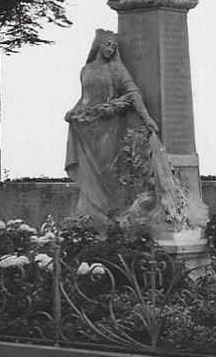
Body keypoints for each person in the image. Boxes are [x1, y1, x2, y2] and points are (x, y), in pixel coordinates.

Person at [64, 28, 161, 222]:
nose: (110, 49)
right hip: (87, 125)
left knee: (107, 171)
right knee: (89, 170)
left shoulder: (116, 69)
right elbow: (85, 98)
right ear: (98, 45)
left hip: (108, 126)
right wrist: (73, 111)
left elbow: (133, 93)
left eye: (113, 46)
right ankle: (91, 214)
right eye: (107, 44)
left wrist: (146, 118)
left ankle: (109, 213)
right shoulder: (86, 69)